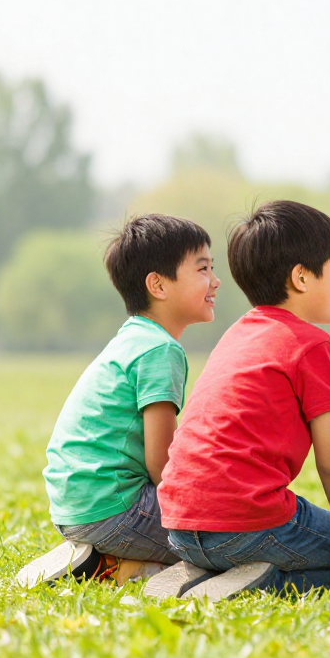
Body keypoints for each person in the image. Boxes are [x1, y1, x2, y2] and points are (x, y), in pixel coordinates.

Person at [144, 200, 330, 602]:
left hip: (179, 525)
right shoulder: (312, 344)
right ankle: (262, 585)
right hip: (246, 520)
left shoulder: (238, 333)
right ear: (301, 277)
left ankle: (199, 578)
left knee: (323, 549)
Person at [17, 214, 219, 588]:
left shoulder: (133, 339)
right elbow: (162, 467)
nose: (215, 281)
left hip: (75, 508)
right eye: (203, 268)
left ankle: (105, 561)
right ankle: (118, 567)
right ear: (158, 285)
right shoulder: (161, 350)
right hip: (118, 510)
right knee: (230, 535)